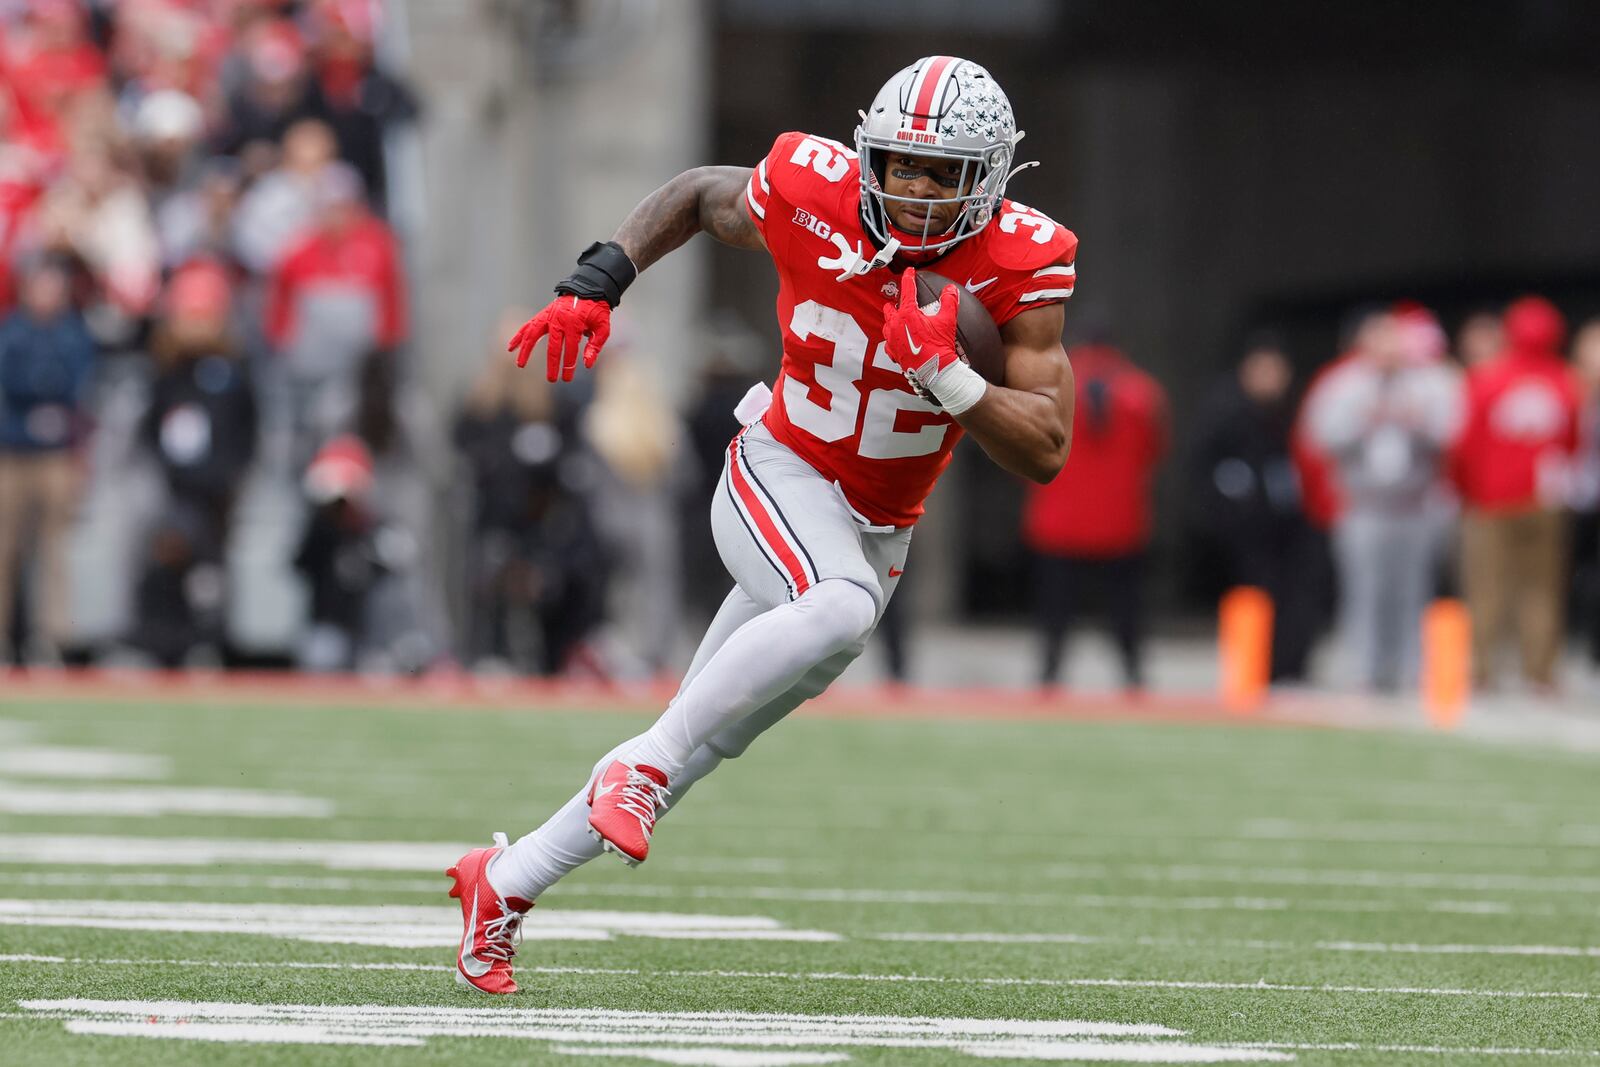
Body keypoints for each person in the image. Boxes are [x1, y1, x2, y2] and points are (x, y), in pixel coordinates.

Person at [449, 56, 1078, 994]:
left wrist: (955, 378)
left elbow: (1048, 446)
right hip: (777, 469)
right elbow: (702, 195)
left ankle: (502, 882)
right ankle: (641, 771)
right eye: (900, 163)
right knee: (836, 612)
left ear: (987, 178)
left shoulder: (1022, 264)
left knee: (708, 738)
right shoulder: (812, 188)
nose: (913, 189)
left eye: (941, 173)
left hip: (876, 523)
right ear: (870, 152)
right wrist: (599, 277)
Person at [1304, 307, 1462, 691]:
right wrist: (1363, 421)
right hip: (1364, 504)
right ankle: (1364, 668)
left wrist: (1417, 422)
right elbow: (1318, 436)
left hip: (1416, 504)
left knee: (1414, 591)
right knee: (1364, 590)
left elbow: (1453, 432)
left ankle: (1412, 669)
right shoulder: (1342, 383)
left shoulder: (1431, 381)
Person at [1452, 295, 1581, 692]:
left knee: (1486, 587)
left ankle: (1480, 670)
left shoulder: (1485, 379)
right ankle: (1539, 672)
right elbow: (1572, 442)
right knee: (1541, 590)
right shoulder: (1565, 382)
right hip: (1544, 500)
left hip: (1490, 500)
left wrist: (1467, 492)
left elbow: (1464, 445)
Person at [1022, 337, 1167, 691]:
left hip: (1058, 522)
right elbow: (1155, 452)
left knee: (1055, 615)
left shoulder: (1045, 388)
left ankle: (1048, 680)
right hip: (1121, 522)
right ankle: (1133, 679)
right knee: (1126, 614)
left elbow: (1021, 448)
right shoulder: (1143, 393)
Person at [1191, 334, 1320, 682]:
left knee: (1297, 594)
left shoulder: (1293, 412)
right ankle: (1253, 667)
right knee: (1254, 595)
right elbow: (1204, 468)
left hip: (1289, 523)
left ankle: (1290, 666)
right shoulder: (1225, 413)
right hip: (1245, 527)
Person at [0, 254, 96, 663]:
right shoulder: (10, 332)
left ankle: (52, 638)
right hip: (11, 452)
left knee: (55, 549)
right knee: (4, 548)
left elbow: (81, 393)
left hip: (57, 454)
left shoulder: (74, 336)